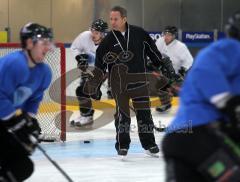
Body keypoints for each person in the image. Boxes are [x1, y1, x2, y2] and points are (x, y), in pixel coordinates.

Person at [90, 6, 177, 158]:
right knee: (123, 115)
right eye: (111, 19)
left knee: (144, 113)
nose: (113, 22)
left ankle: (149, 143)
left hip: (140, 80)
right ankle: (122, 145)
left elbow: (153, 52)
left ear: (124, 19)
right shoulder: (108, 41)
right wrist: (95, 85)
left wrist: (162, 64)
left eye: (116, 19)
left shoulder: (139, 33)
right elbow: (99, 66)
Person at [162, 11, 240, 182]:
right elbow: (206, 70)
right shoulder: (232, 47)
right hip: (199, 135)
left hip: (181, 139)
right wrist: (228, 103)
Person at [0, 23, 53, 181]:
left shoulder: (44, 72)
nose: (48, 47)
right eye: (44, 43)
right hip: (4, 119)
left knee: (23, 166)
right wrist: (16, 120)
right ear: (29, 43)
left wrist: (28, 121)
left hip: (4, 122)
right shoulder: (14, 64)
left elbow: (34, 100)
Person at [69, 19, 108, 127]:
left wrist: (99, 82)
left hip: (104, 71)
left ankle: (122, 120)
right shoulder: (85, 36)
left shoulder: (108, 44)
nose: (93, 34)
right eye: (92, 31)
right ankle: (86, 115)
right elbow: (74, 48)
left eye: (97, 32)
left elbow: (111, 66)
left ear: (103, 34)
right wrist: (80, 58)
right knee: (80, 91)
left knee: (89, 91)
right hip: (89, 69)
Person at [155, 26, 193, 112]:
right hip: (165, 72)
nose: (166, 37)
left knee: (181, 91)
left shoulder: (181, 46)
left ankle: (189, 107)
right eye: (165, 34)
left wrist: (182, 71)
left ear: (174, 36)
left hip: (177, 74)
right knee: (160, 86)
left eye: (169, 35)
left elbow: (190, 61)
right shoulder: (160, 41)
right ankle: (166, 104)